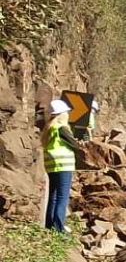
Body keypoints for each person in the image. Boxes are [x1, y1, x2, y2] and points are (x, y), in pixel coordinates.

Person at [42, 99, 82, 233]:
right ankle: (59, 228)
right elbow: (75, 145)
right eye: (66, 112)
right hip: (63, 166)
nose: (68, 115)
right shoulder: (62, 128)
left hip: (51, 166)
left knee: (52, 196)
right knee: (62, 197)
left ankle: (49, 225)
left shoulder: (49, 128)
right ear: (61, 114)